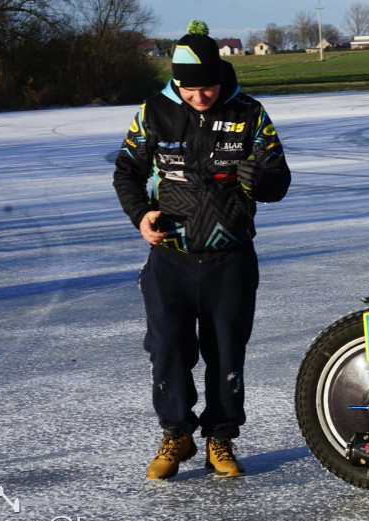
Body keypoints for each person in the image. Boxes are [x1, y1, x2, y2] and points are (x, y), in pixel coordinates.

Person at [114, 21, 291, 481]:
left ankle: (220, 439)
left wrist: (261, 181)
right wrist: (140, 215)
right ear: (176, 82)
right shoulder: (153, 113)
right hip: (170, 259)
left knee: (226, 353)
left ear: (221, 77)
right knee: (168, 349)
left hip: (230, 259)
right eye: (188, 89)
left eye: (207, 87)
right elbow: (127, 171)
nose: (198, 96)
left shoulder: (249, 113)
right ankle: (176, 433)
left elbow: (279, 179)